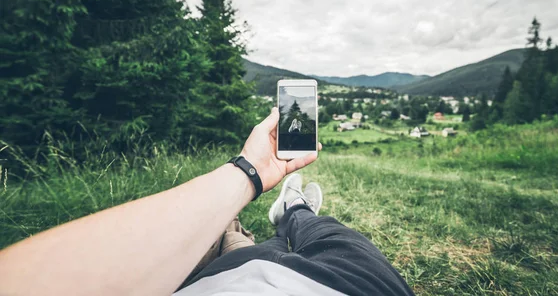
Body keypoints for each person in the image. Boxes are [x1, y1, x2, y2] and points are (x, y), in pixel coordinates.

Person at [0, 108, 414, 296]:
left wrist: (251, 170)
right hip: (343, 287)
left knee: (252, 254)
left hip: (229, 280)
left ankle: (260, 224)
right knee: (333, 236)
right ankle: (294, 210)